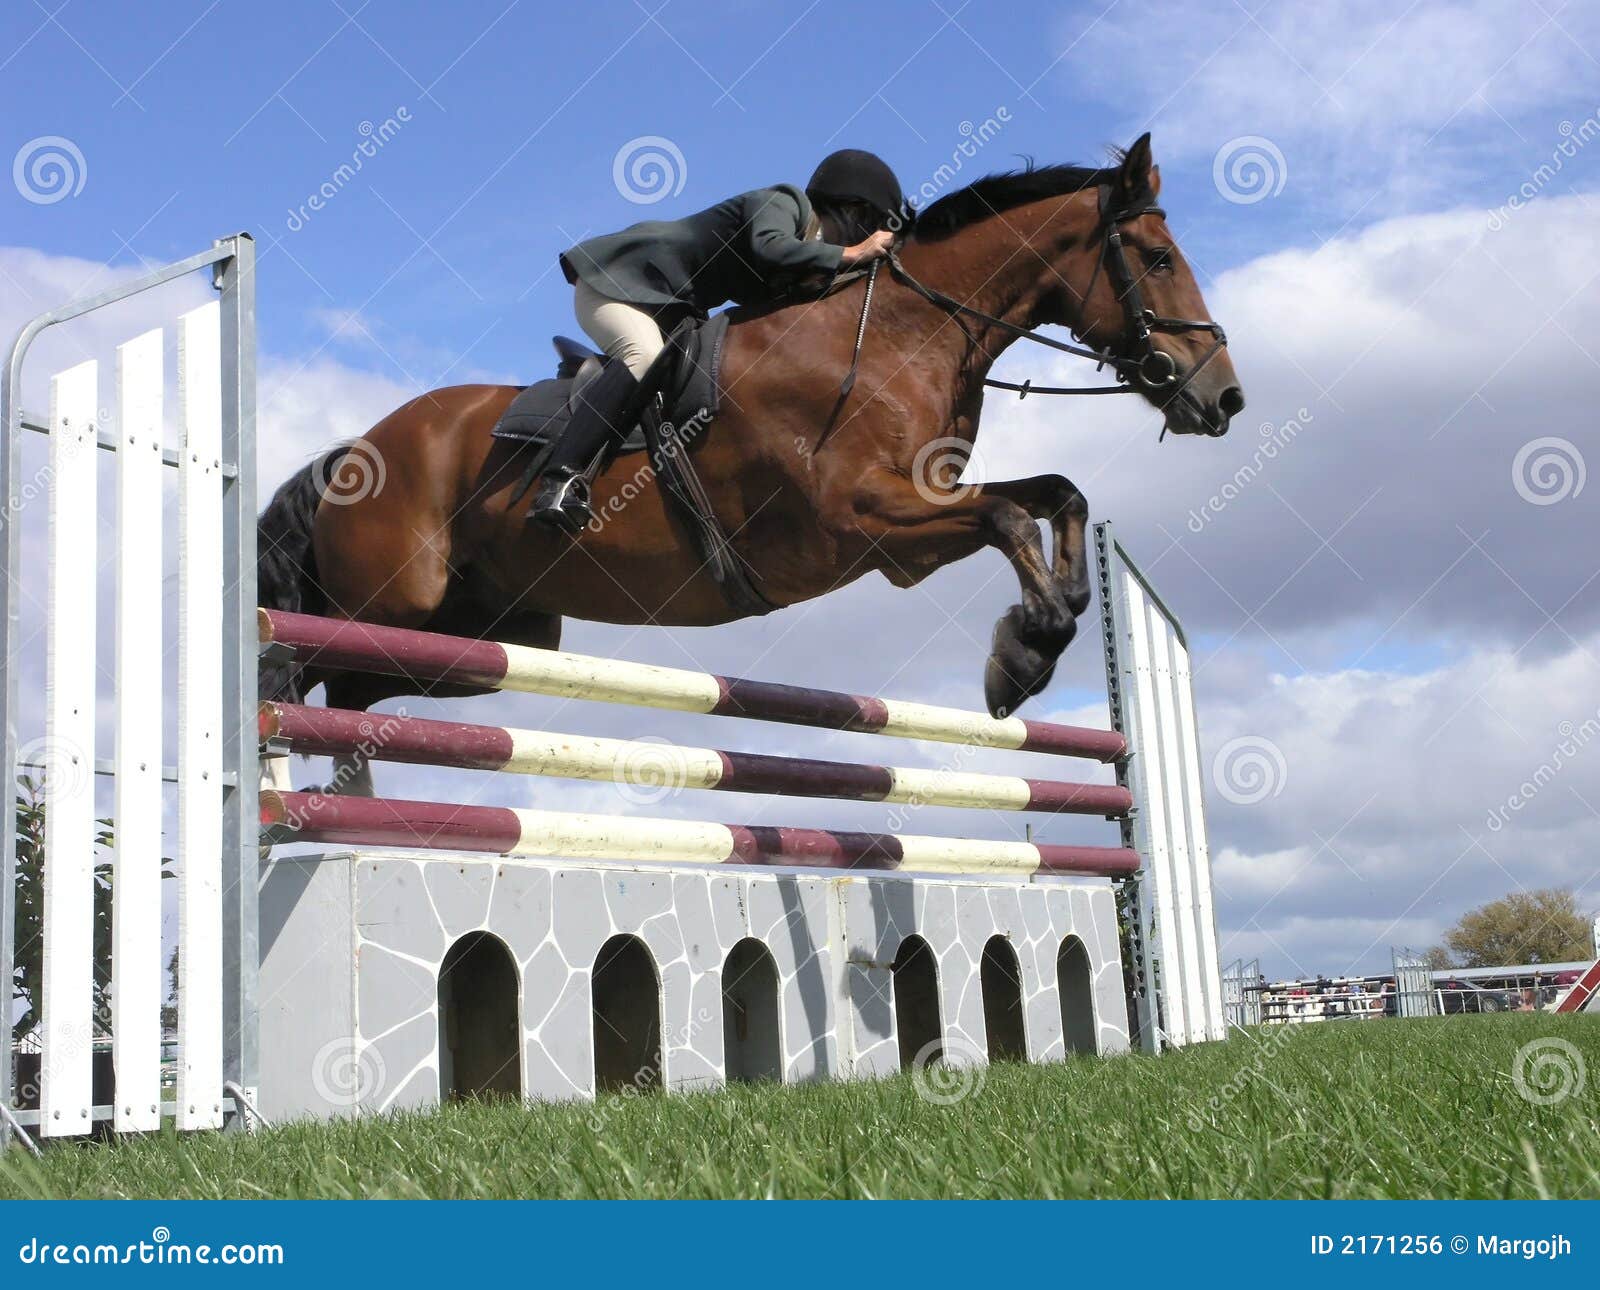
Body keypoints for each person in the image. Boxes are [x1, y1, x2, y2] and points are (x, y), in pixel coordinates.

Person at [532, 149, 905, 530]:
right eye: (870, 227)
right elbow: (769, 246)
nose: (868, 241)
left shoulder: (803, 262)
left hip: (667, 308)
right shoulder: (784, 201)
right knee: (643, 356)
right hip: (616, 285)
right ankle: (560, 480)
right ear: (854, 209)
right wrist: (852, 252)